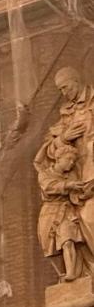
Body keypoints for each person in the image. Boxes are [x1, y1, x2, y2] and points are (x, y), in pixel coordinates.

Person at [36, 67, 94, 284]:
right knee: (83, 220)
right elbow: (48, 151)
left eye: (66, 87)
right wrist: (63, 138)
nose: (64, 93)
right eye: (60, 90)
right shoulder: (66, 114)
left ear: (76, 81)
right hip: (78, 177)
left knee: (89, 217)